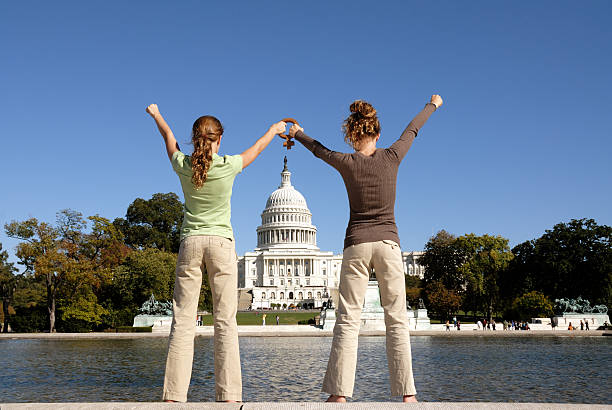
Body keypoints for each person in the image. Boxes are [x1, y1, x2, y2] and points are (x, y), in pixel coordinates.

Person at [289, 95, 442, 403]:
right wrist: (432, 105)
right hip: (388, 243)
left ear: (352, 136)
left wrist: (297, 133)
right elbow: (412, 130)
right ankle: (407, 394)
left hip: (357, 243)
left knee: (347, 319)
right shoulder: (392, 156)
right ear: (377, 134)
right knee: (397, 319)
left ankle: (339, 394)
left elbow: (320, 151)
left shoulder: (347, 162)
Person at [146, 104, 286, 403]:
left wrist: (156, 114)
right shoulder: (228, 165)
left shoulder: (182, 164)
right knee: (225, 321)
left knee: (183, 320)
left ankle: (173, 396)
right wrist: (274, 131)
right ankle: (229, 395)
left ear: (194, 139)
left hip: (191, 242)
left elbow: (167, 136)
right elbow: (256, 149)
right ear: (218, 140)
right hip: (221, 243)